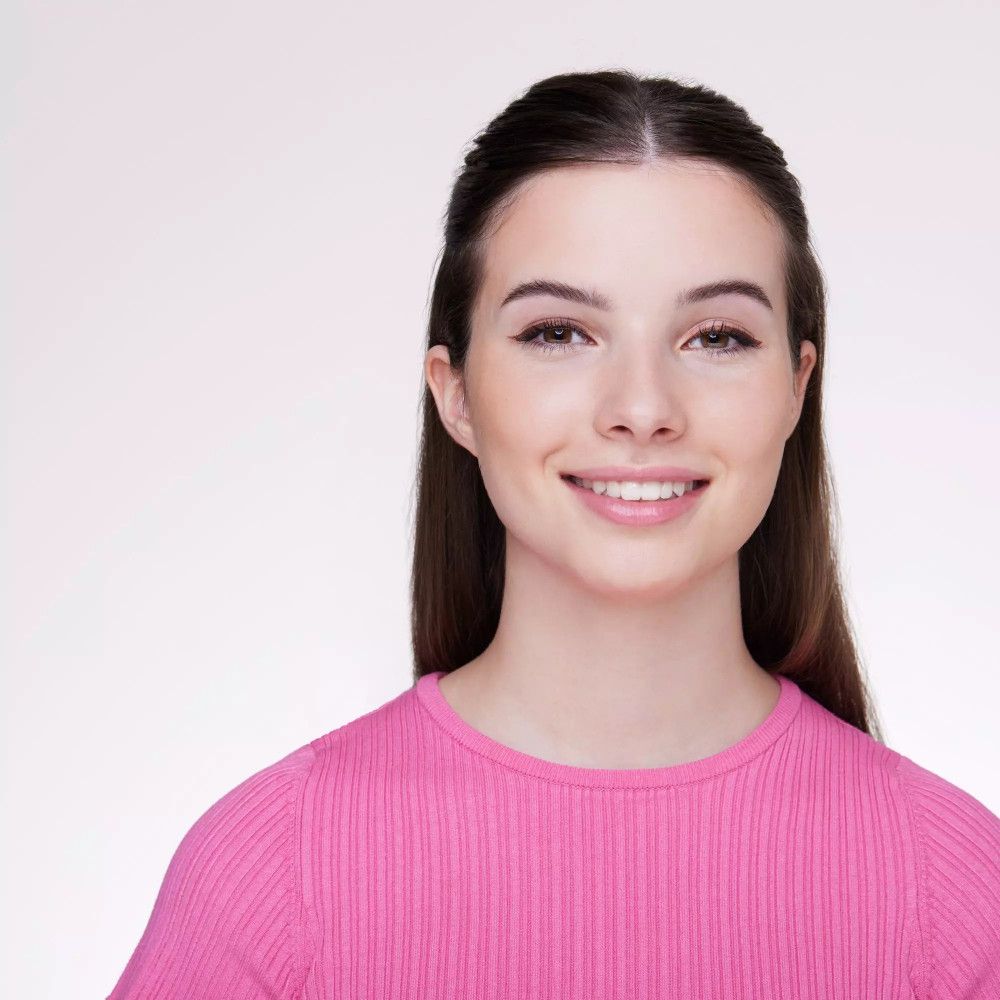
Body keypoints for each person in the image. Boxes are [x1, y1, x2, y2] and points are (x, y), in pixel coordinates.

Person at [105, 69, 1000, 999]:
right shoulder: (271, 874)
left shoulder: (954, 889)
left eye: (718, 337)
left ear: (796, 387)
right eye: (559, 333)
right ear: (454, 393)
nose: (643, 408)